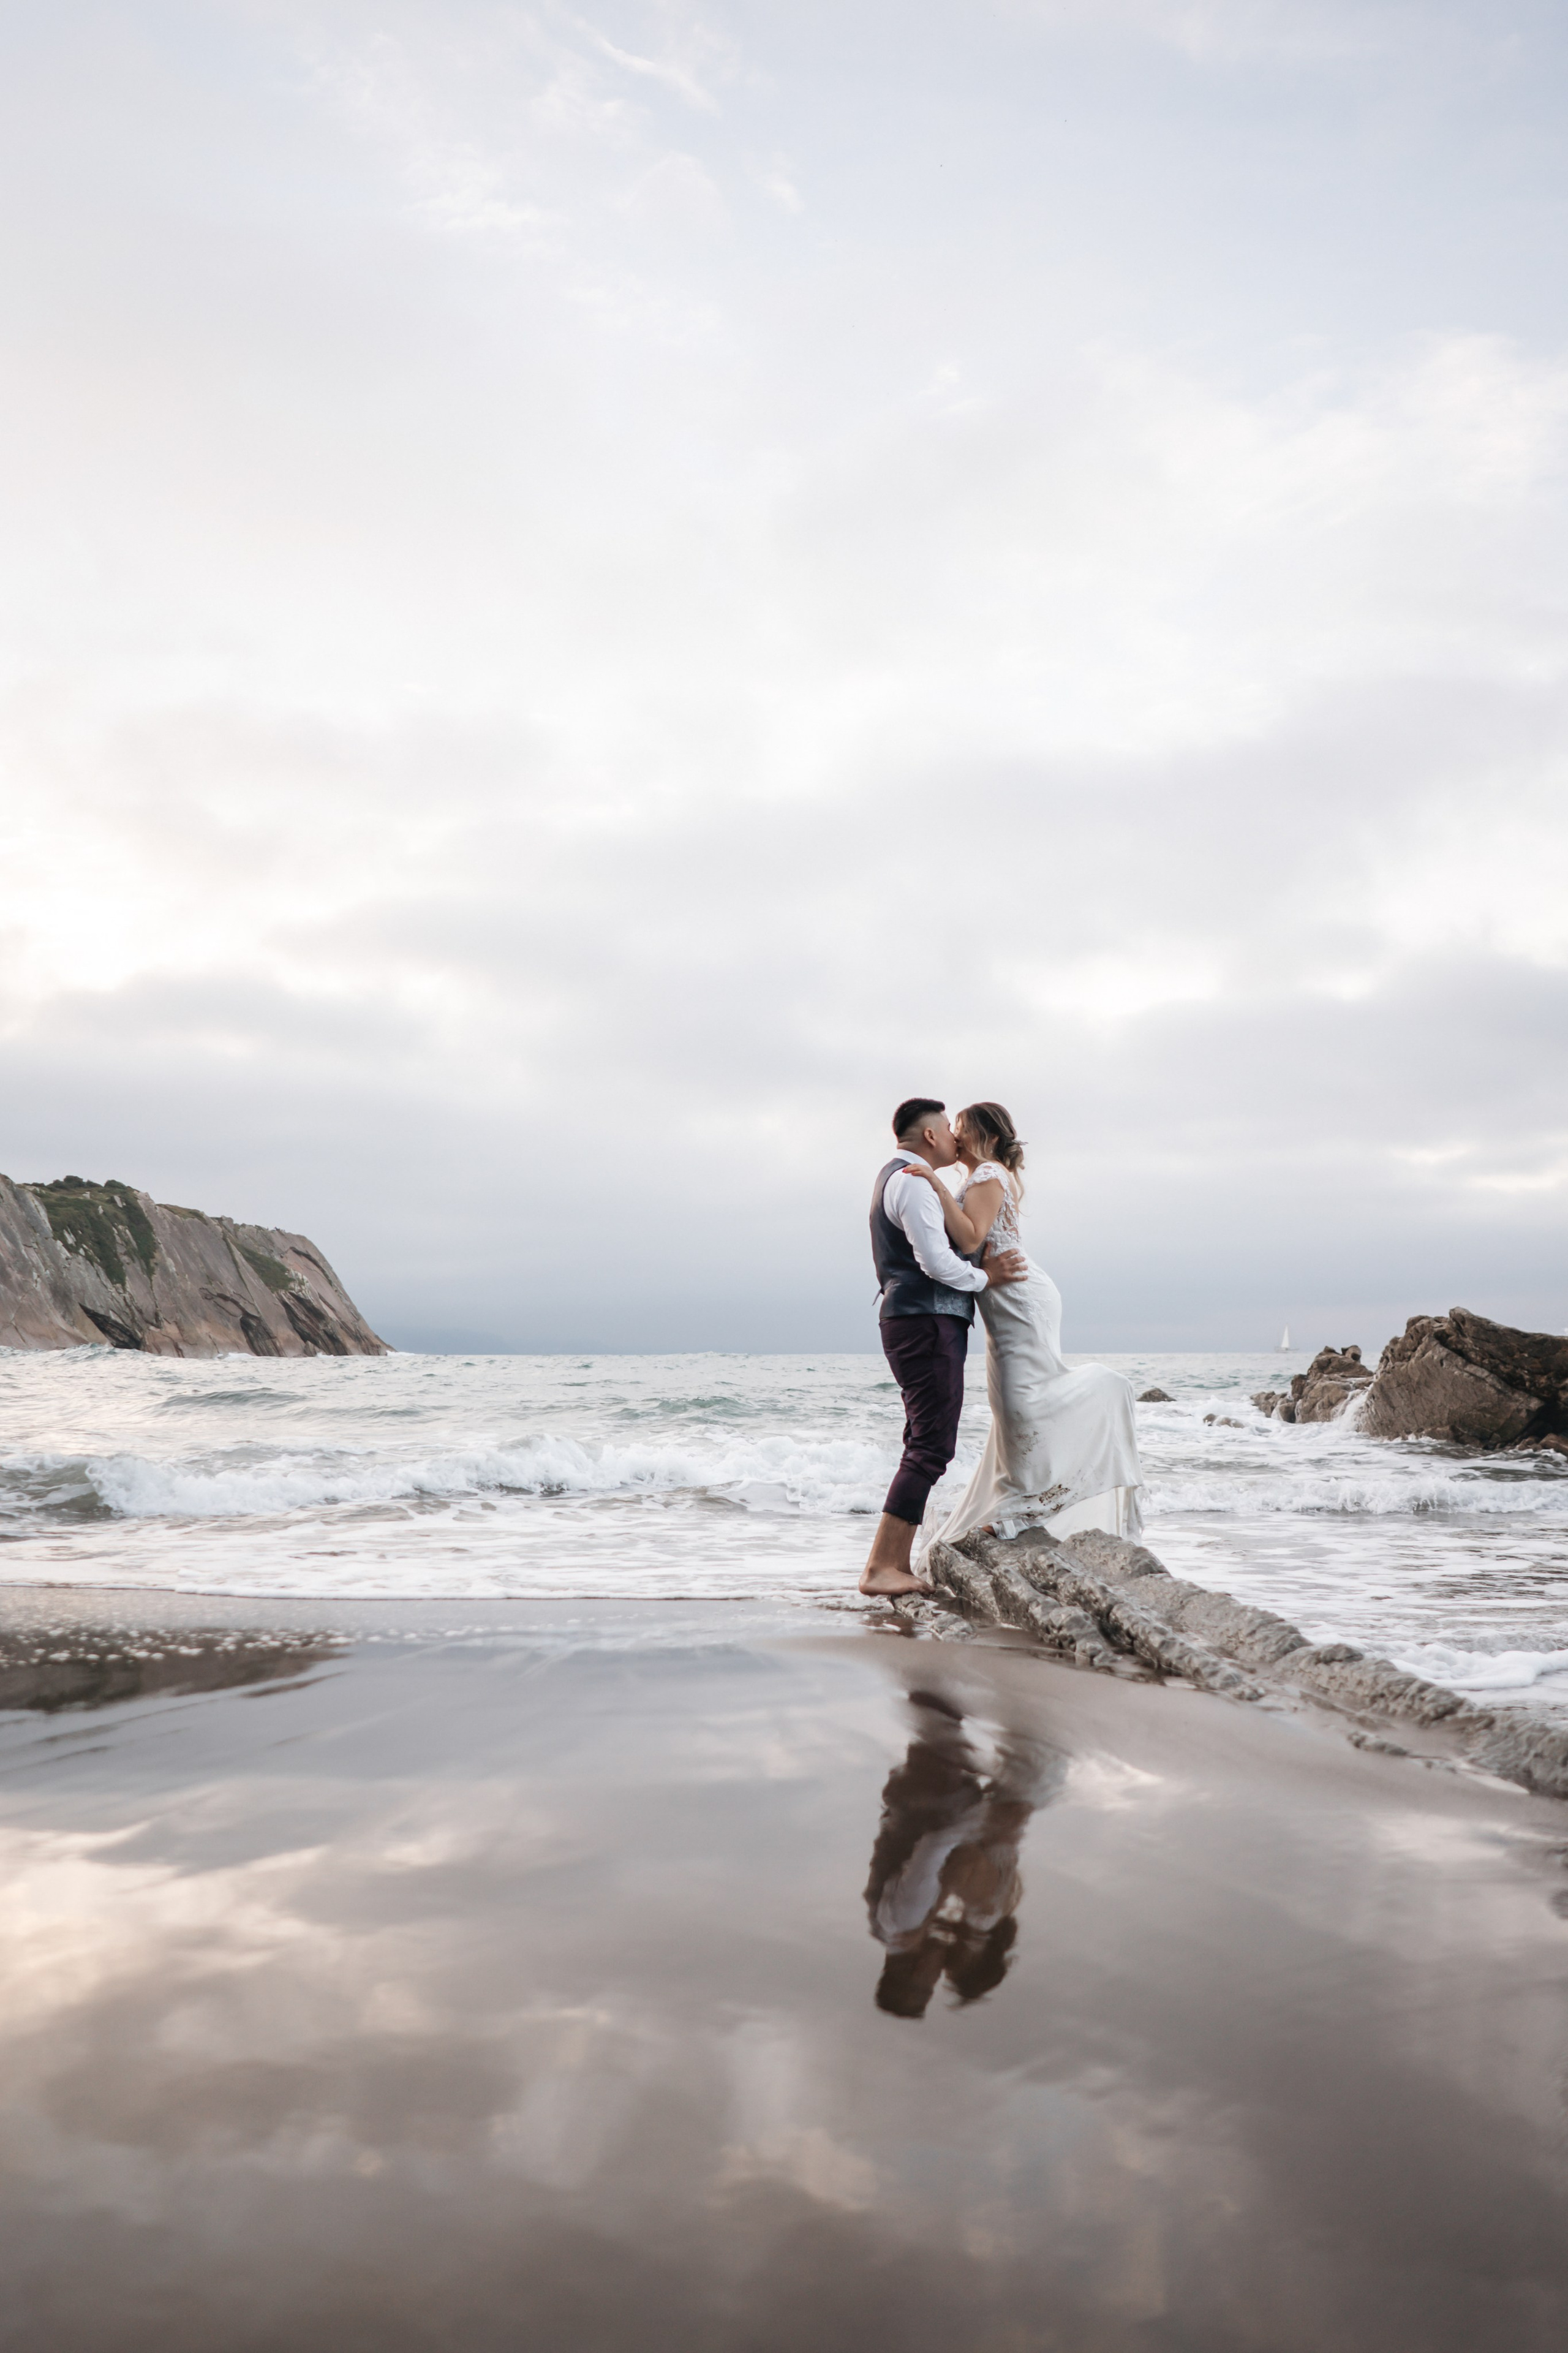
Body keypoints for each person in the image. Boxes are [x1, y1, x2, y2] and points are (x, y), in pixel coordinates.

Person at [902, 1100, 1144, 1555]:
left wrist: (934, 1182)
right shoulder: (984, 1175)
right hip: (1006, 1295)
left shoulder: (989, 1174)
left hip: (1019, 1295)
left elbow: (971, 1237)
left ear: (984, 1136)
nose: (953, 1135)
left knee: (1021, 1402)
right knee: (1012, 1402)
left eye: (960, 1128)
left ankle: (1017, 1511)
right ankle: (1019, 1503)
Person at [860, 1097, 1028, 1598]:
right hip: (926, 1319)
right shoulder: (910, 1181)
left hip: (918, 1318)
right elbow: (935, 1261)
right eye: (949, 1129)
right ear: (931, 1135)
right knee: (932, 1445)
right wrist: (985, 1276)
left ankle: (891, 1561)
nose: (956, 1138)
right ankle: (882, 1566)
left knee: (925, 1440)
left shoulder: (901, 1178)